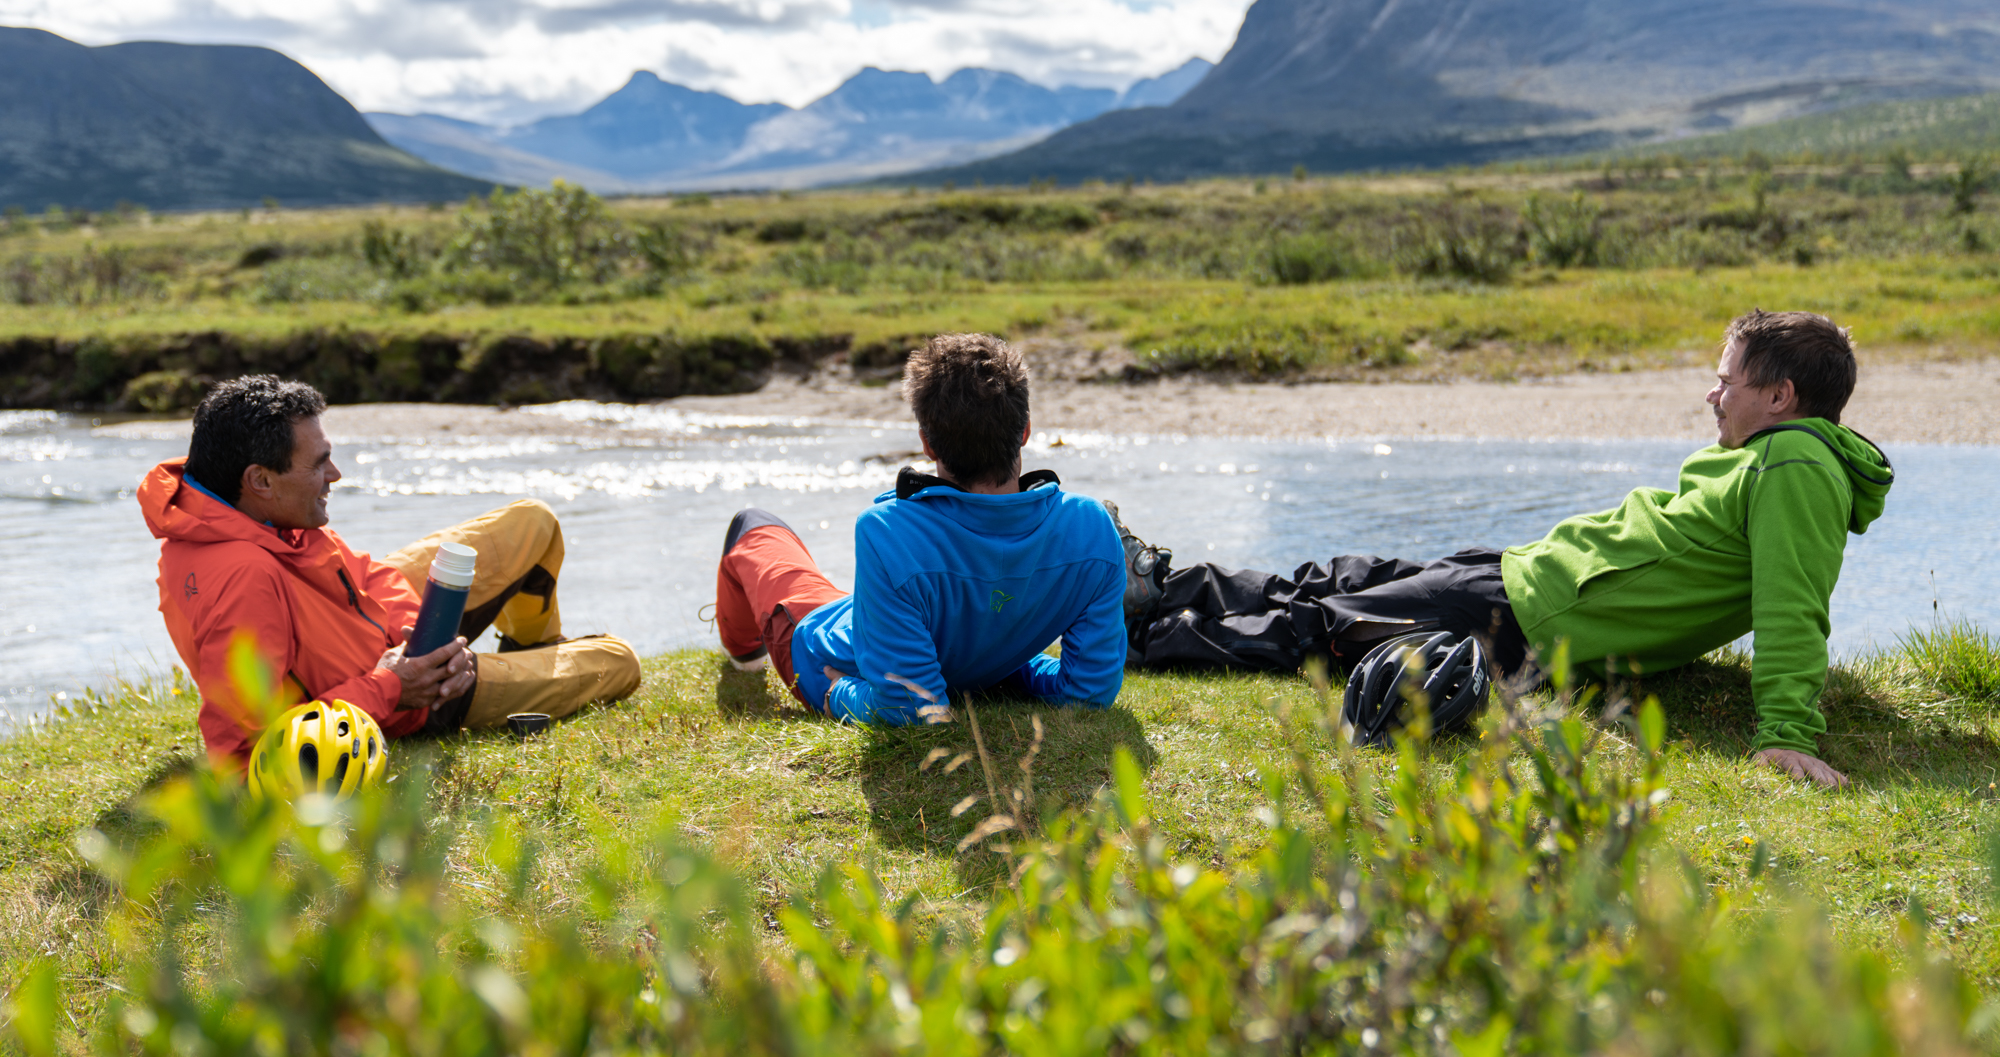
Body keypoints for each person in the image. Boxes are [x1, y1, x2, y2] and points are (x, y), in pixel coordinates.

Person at [1118, 310, 1892, 789]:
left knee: (1325, 629)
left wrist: (1785, 735)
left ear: (1781, 396)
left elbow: (1793, 607)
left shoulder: (1795, 467)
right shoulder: (1773, 456)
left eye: (1726, 382)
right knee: (1343, 577)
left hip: (1525, 620)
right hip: (1523, 573)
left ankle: (1133, 633)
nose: (1712, 395)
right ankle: (1161, 581)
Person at [140, 375, 643, 773]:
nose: (335, 476)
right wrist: (397, 684)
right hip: (412, 699)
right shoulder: (243, 576)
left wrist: (423, 637)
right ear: (261, 480)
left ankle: (528, 653)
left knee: (532, 521)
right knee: (619, 661)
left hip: (392, 642)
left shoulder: (232, 508)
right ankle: (513, 678)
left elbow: (363, 571)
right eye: (319, 464)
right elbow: (246, 751)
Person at [713, 332, 1127, 724]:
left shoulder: (888, 531)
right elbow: (1087, 694)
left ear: (927, 443)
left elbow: (910, 712)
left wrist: (834, 692)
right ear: (1025, 430)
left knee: (752, 524)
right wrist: (1008, 669)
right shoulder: (1092, 526)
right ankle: (750, 649)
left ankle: (746, 654)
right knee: (858, 596)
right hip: (901, 626)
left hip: (820, 648)